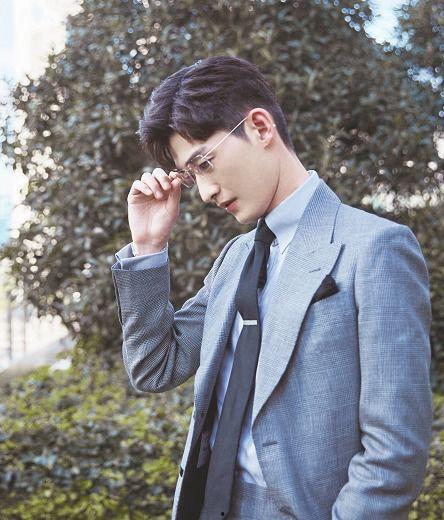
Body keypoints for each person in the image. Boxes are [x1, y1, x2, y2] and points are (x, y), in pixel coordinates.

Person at [110, 55, 433, 520]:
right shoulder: (236, 257)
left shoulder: (375, 248)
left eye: (205, 162)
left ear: (260, 127)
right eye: (192, 176)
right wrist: (147, 246)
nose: (205, 192)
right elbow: (155, 368)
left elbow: (394, 453)